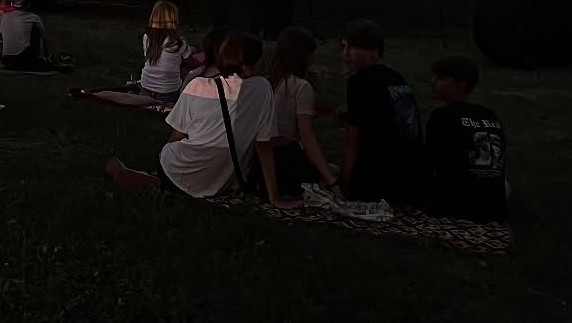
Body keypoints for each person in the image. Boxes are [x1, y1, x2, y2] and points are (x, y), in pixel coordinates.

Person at [105, 33, 301, 209]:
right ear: (248, 66)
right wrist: (274, 196)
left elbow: (176, 136)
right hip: (227, 180)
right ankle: (155, 178)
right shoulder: (262, 88)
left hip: (184, 168)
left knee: (169, 160)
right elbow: (263, 143)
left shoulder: (197, 85)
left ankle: (145, 177)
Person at [337, 19, 423, 205]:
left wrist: (344, 184)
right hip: (411, 179)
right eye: (343, 47)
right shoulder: (396, 78)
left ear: (374, 50)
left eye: (352, 48)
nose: (345, 54)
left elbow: (353, 138)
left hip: (379, 181)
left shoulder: (360, 81)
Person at [424, 55, 508, 221]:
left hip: (456, 208)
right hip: (494, 207)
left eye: (441, 79)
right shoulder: (489, 115)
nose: (432, 82)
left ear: (461, 85)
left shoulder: (442, 117)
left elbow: (430, 162)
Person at [266, 26, 339, 197]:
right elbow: (308, 138)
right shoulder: (301, 87)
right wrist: (332, 181)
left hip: (265, 159)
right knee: (337, 173)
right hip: (286, 160)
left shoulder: (268, 82)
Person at [139, 0, 193, 103]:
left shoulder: (147, 37)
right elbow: (191, 62)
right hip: (168, 92)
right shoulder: (179, 42)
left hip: (146, 87)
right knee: (186, 69)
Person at [0, 0, 66, 73]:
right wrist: (48, 57)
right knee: (36, 29)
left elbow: (3, 36)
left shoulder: (4, 16)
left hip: (6, 59)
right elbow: (46, 39)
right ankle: (42, 60)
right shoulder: (33, 17)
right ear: (28, 4)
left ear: (12, 3)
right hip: (23, 59)